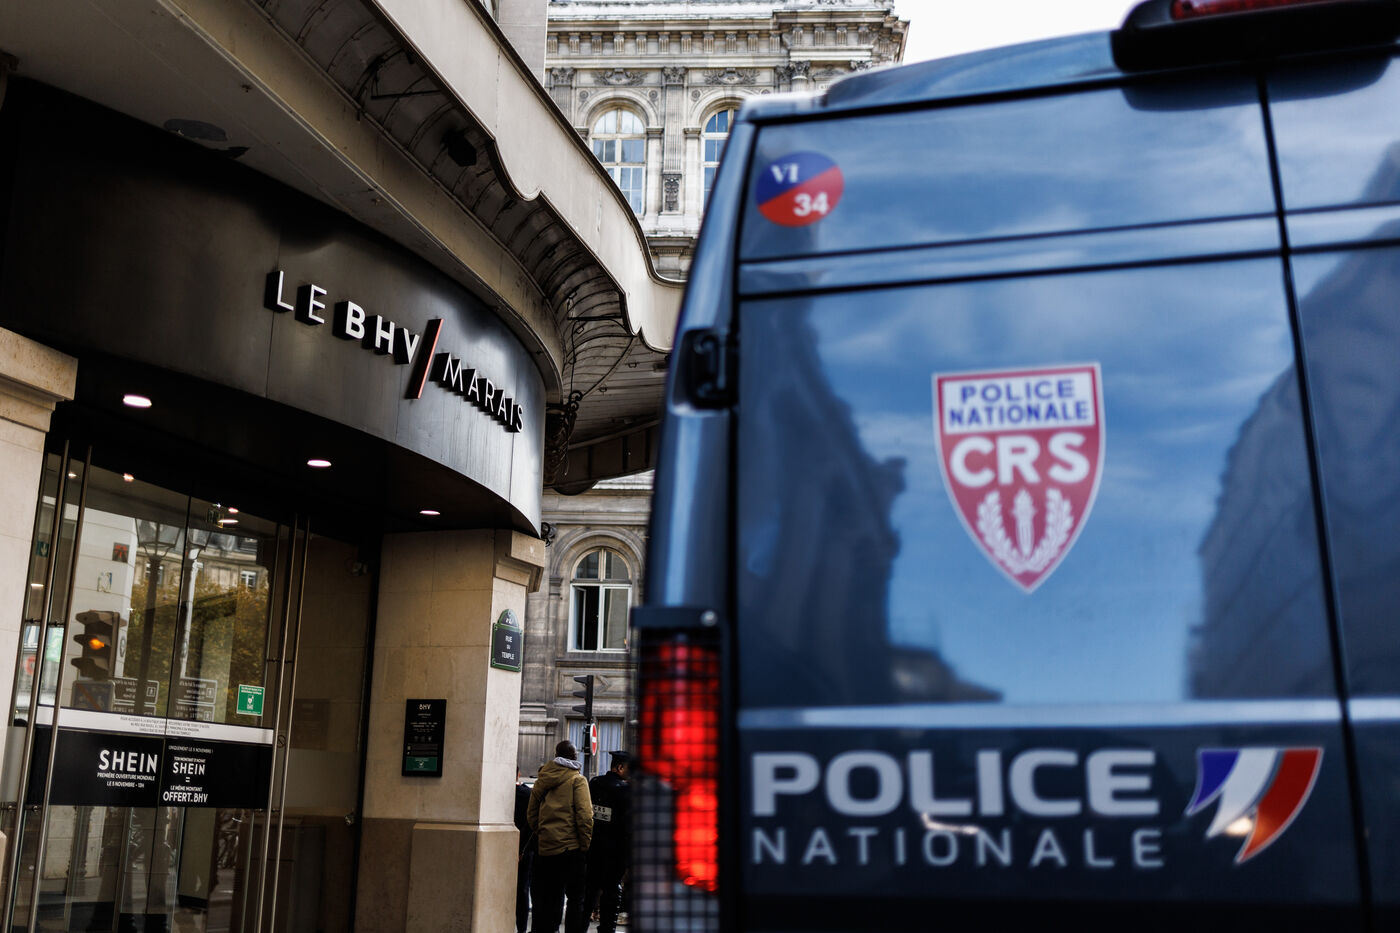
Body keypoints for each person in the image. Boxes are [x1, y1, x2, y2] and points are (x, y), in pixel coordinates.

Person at [528, 740, 593, 933]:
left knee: (551, 897)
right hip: (571, 849)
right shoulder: (577, 780)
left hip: (547, 849)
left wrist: (544, 833)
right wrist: (584, 844)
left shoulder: (543, 778)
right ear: (574, 756)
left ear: (556, 755)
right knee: (576, 898)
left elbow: (531, 814)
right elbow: (585, 817)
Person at [583, 751, 632, 933]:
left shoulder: (594, 783)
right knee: (611, 893)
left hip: (593, 848)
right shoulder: (626, 791)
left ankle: (581, 927)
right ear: (620, 768)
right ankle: (606, 929)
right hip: (616, 852)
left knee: (589, 891)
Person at [515, 771, 536, 933]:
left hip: (505, 848)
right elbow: (531, 824)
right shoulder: (528, 794)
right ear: (518, 774)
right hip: (525, 849)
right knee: (523, 889)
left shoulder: (498, 793)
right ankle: (522, 929)